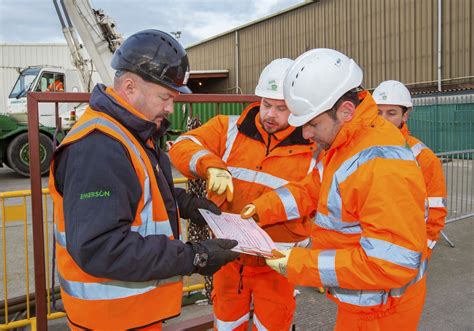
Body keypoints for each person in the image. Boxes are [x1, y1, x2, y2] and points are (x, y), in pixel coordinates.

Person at [48, 29, 239, 330]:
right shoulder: (99, 147)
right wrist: (193, 257)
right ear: (129, 87)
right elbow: (102, 247)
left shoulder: (130, 133)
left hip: (131, 314)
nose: (170, 108)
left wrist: (186, 204)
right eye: (165, 97)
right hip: (111, 320)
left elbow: (140, 192)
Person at [241, 49, 429, 330]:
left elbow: (388, 263)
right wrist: (262, 209)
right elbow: (312, 189)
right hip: (366, 302)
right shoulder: (348, 142)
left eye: (313, 124)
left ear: (345, 111)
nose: (306, 135)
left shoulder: (379, 164)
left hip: (381, 312)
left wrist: (297, 262)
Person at [169, 58, 319, 330]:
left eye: (281, 108)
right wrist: (210, 166)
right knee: (226, 325)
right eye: (266, 104)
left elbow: (310, 197)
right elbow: (182, 146)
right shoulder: (227, 128)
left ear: (297, 109)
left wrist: (265, 208)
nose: (270, 114)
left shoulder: (313, 148)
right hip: (229, 257)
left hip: (277, 263)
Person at [373, 80, 447, 257]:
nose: (383, 120)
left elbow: (436, 208)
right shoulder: (359, 150)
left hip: (405, 248)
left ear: (405, 116)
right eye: (378, 113)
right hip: (368, 246)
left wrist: (424, 249)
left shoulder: (423, 157)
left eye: (391, 113)